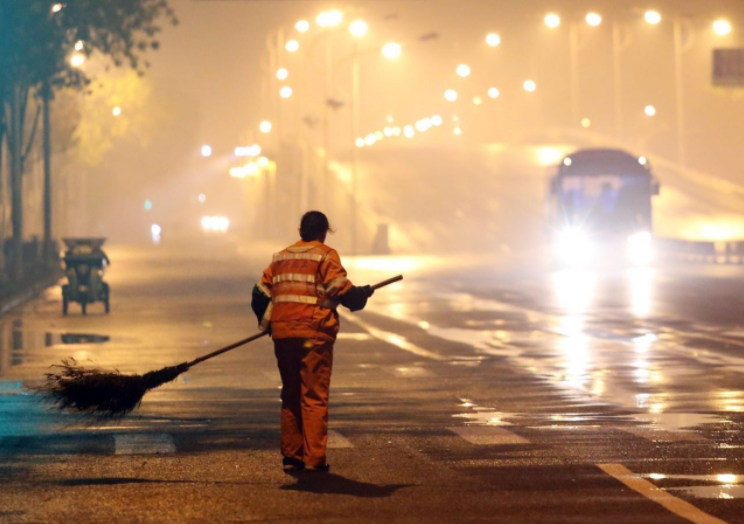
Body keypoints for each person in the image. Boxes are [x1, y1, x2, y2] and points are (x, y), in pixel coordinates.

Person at [251, 211, 373, 472]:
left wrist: (268, 323)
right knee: (314, 396)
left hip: (284, 336)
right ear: (323, 232)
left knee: (291, 393)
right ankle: (315, 459)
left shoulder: (281, 257)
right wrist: (361, 294)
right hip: (313, 336)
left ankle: (292, 455)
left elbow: (259, 294)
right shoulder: (326, 255)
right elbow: (342, 290)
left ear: (300, 231)